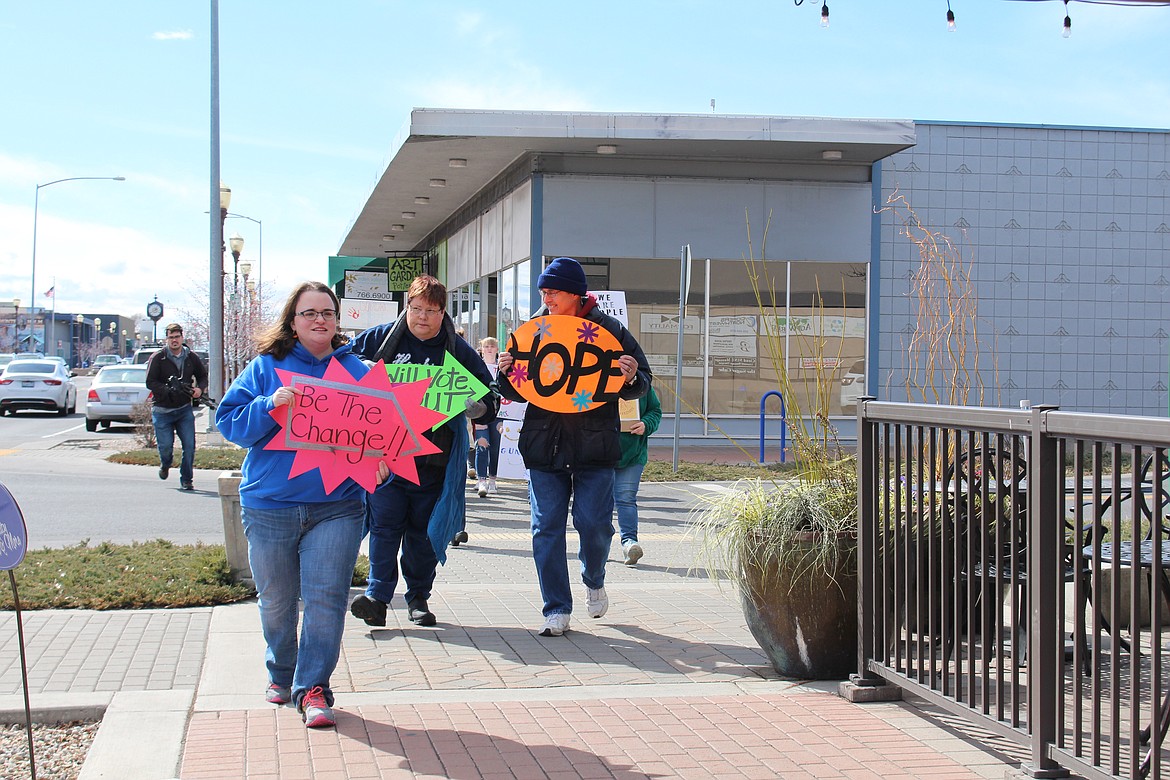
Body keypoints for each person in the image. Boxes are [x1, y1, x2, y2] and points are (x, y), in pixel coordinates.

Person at [215, 281, 390, 729]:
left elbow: (386, 433)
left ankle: (313, 688)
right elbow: (230, 425)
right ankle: (281, 670)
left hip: (338, 507)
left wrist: (384, 461)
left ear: (338, 320)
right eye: (309, 313)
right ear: (292, 322)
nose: (319, 320)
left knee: (326, 600)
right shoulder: (266, 367)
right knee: (276, 600)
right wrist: (268, 405)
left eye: (327, 313)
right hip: (269, 504)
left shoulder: (358, 371)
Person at [497, 257, 651, 637]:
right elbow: (517, 389)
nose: (546, 298)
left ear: (574, 293)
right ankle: (556, 608)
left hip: (594, 446)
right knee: (545, 526)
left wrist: (631, 376)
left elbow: (642, 379)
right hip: (544, 444)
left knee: (594, 524)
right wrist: (505, 373)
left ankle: (593, 577)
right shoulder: (532, 333)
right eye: (543, 292)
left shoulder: (609, 329)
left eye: (552, 292)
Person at [347, 275, 498, 627]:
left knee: (422, 534)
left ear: (442, 312)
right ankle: (377, 597)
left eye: (430, 311)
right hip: (385, 460)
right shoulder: (382, 338)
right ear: (407, 307)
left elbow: (490, 401)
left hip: (434, 461)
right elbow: (342, 365)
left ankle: (418, 598)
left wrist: (474, 406)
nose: (422, 317)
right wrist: (363, 369)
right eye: (416, 309)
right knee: (384, 528)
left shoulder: (458, 351)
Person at [144, 323, 208, 491]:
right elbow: (150, 382)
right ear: (167, 339)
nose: (174, 340)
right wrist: (167, 390)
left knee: (189, 446)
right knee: (165, 447)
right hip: (162, 410)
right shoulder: (158, 357)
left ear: (182, 338)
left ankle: (187, 479)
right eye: (171, 337)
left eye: (177, 337)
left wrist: (199, 389)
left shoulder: (191, 357)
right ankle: (165, 464)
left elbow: (202, 375)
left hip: (184, 409)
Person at [614, 384, 662, 566]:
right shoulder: (598, 379)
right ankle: (597, 546)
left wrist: (645, 424)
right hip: (599, 453)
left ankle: (629, 543)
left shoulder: (642, 384)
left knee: (625, 498)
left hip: (633, 453)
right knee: (599, 503)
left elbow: (655, 411)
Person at [472, 337, 502, 499]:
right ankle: (481, 480)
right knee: (482, 444)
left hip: (500, 414)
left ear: (497, 349)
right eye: (486, 346)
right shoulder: (477, 367)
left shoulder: (501, 368)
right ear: (482, 349)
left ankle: (493, 480)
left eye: (492, 346)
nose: (489, 349)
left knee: (496, 447)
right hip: (481, 413)